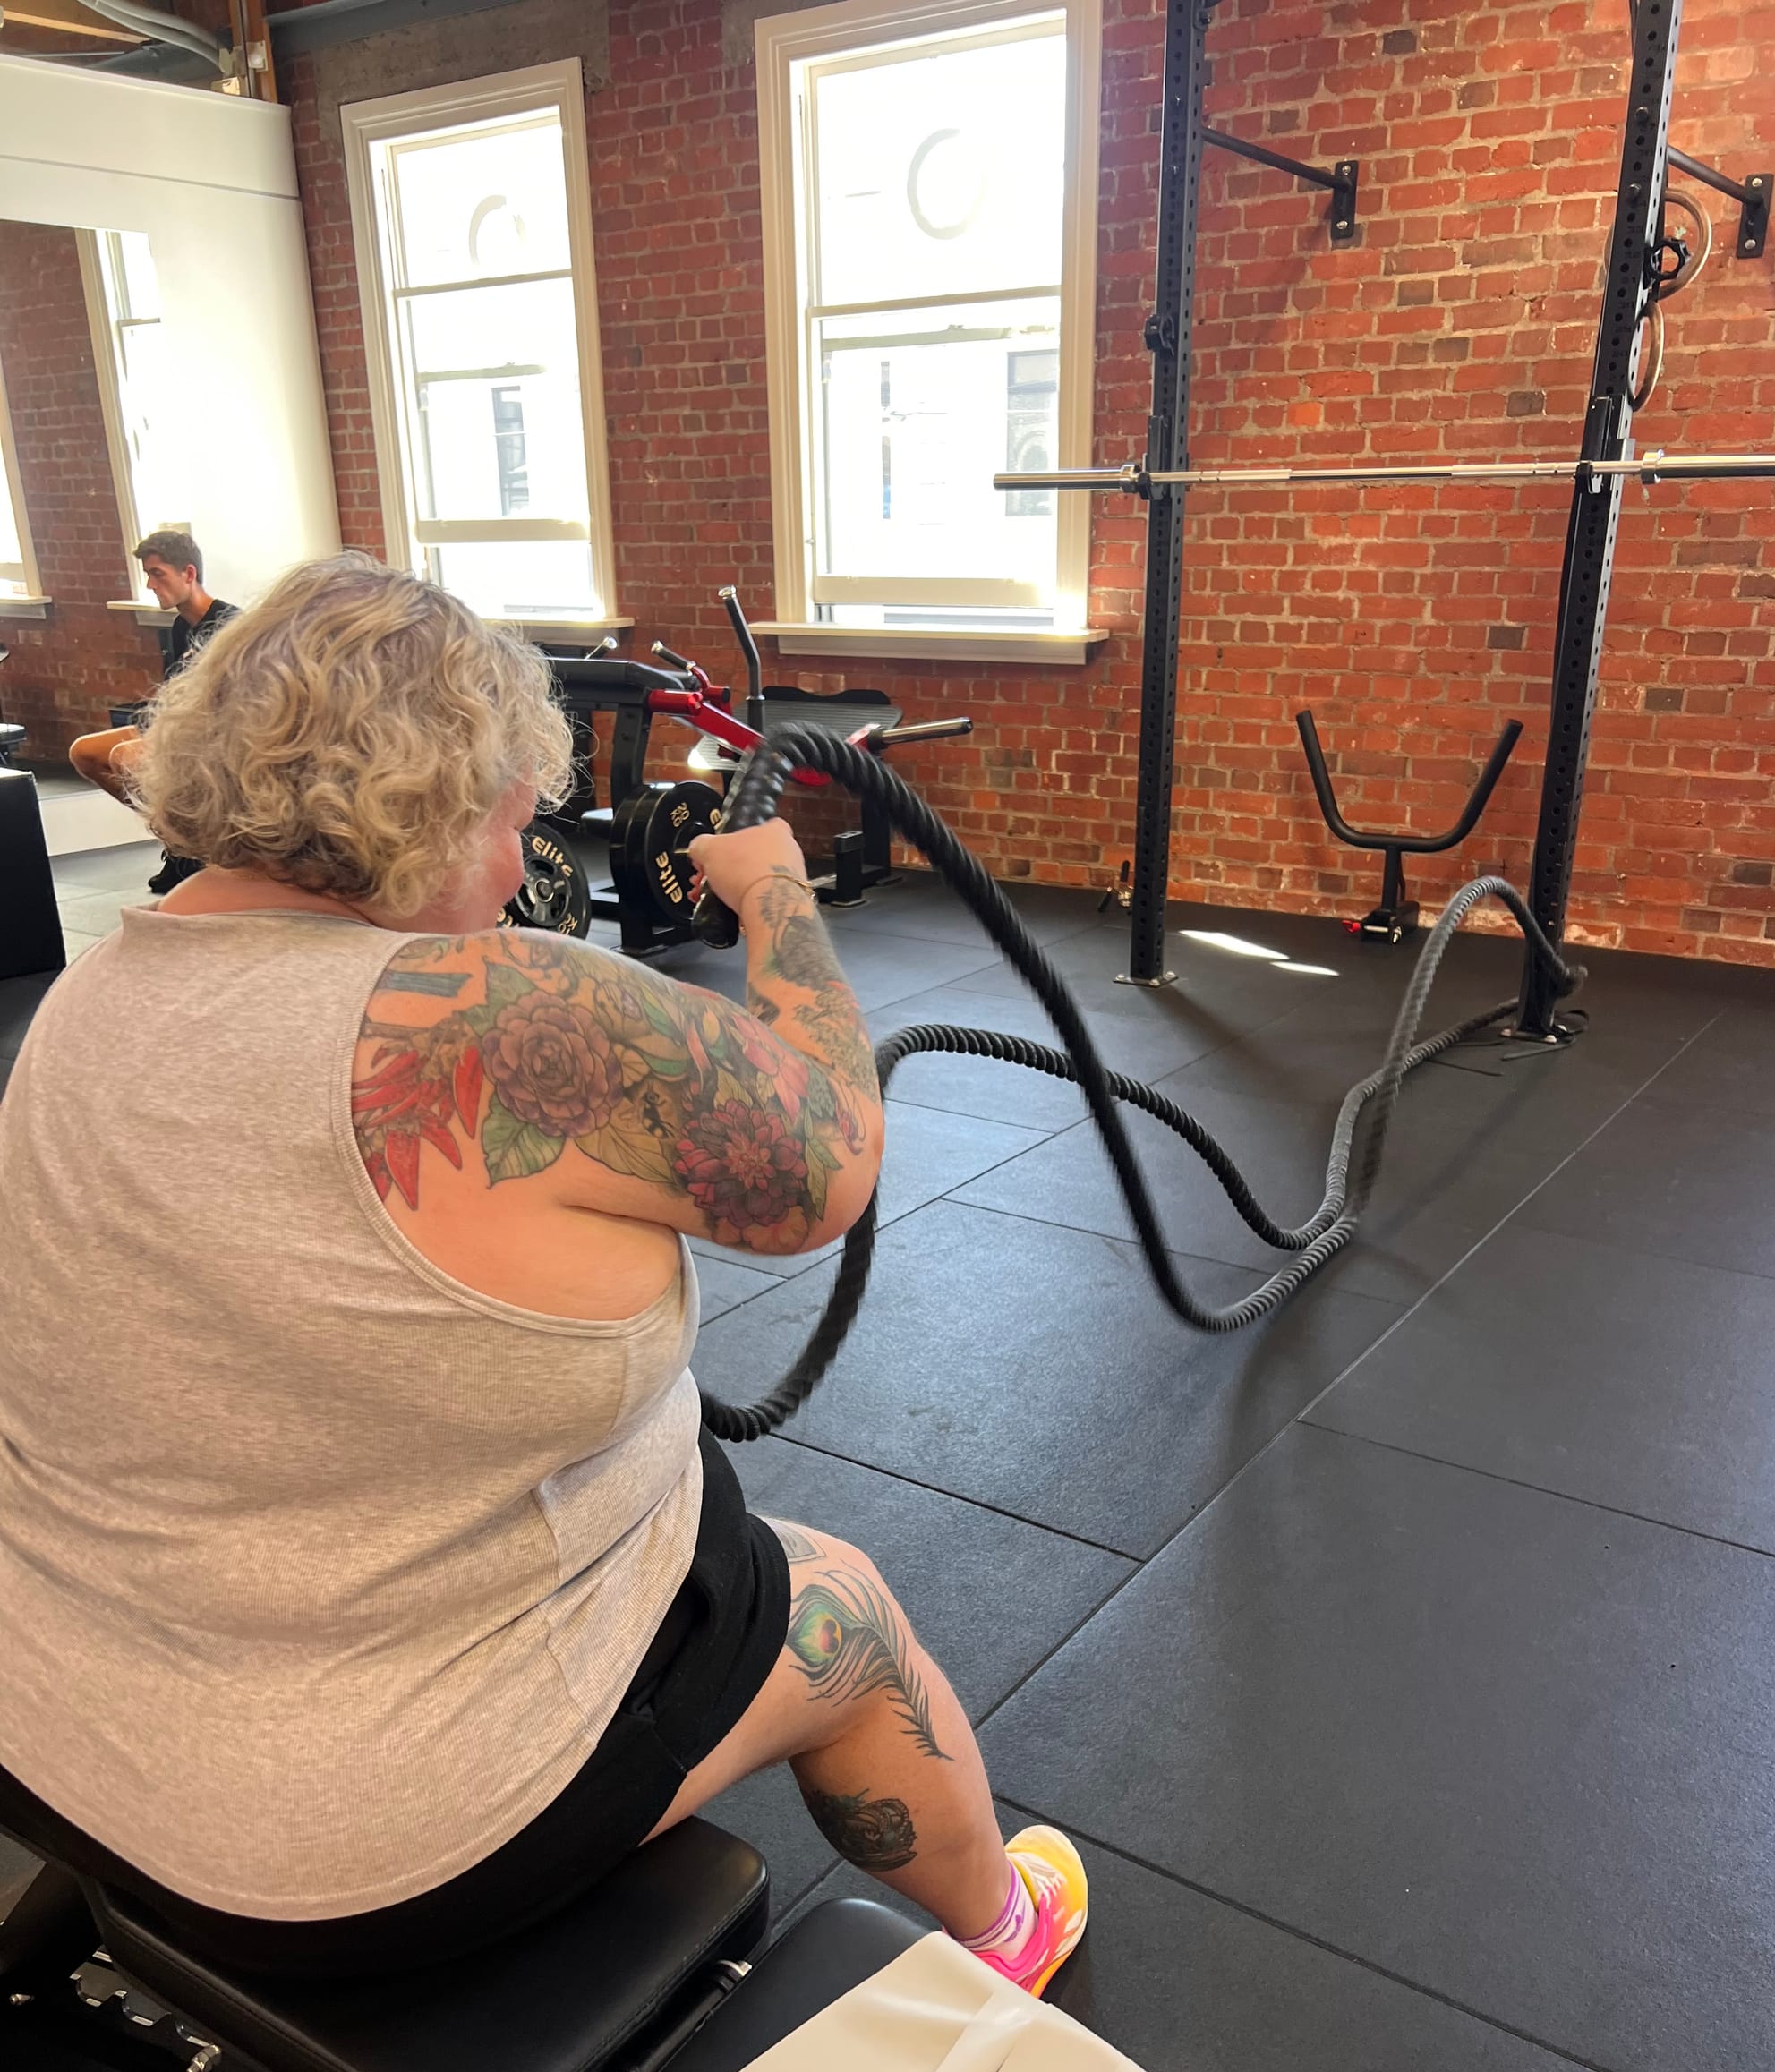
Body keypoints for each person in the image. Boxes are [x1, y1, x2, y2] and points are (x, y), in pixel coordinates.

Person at [0, 553, 1087, 1994]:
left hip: (47, 1735)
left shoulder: (93, 989)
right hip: (352, 1851)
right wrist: (778, 893)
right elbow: (829, 1161)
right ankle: (1009, 1925)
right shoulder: (485, 1016)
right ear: (436, 802)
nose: (522, 869)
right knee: (840, 1605)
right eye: (516, 821)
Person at [68, 529, 239, 895]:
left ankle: (193, 846)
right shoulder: (179, 627)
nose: (150, 585)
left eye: (158, 574)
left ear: (188, 573)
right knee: (84, 752)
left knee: (124, 756)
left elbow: (232, 705)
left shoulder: (229, 626)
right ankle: (178, 839)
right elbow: (172, 695)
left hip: (214, 736)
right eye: (147, 574)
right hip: (175, 727)